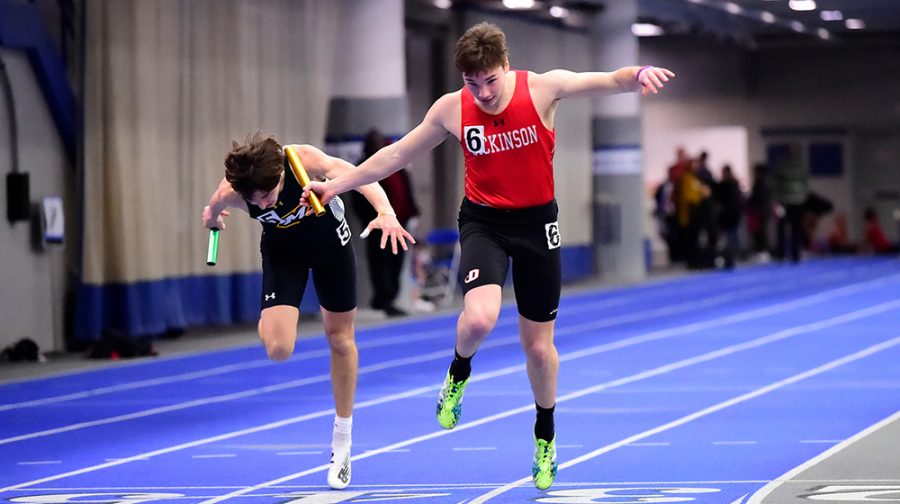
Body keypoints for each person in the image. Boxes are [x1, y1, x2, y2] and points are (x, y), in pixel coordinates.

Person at [301, 22, 674, 490]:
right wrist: (336, 184)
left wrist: (637, 73)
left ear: (506, 65)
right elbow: (396, 155)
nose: (482, 93)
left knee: (538, 348)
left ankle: (545, 436)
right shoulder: (452, 109)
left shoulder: (542, 89)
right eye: (471, 83)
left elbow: (602, 80)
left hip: (538, 226)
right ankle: (457, 374)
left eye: (490, 81)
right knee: (479, 319)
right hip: (484, 223)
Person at [201, 132, 414, 490]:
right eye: (258, 203)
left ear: (280, 177)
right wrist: (212, 220)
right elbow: (212, 208)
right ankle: (272, 315)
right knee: (279, 349)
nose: (266, 206)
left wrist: (386, 212)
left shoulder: (303, 161)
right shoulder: (235, 191)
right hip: (284, 254)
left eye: (270, 196)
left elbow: (360, 176)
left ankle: (342, 441)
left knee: (340, 338)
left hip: (331, 246)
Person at [351, 128, 421, 317]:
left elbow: (406, 189)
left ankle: (391, 298)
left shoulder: (395, 164)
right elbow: (357, 197)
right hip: (378, 224)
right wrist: (371, 219)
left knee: (396, 261)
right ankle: (382, 299)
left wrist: (413, 211)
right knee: (380, 262)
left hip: (400, 222)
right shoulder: (363, 166)